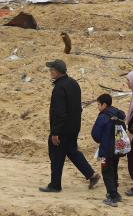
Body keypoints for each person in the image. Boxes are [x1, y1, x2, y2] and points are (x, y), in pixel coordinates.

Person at [39, 59, 101, 193]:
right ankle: (92, 175)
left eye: (51, 70)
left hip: (62, 129)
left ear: (57, 72)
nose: (50, 72)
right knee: (72, 152)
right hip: (73, 127)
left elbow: (59, 113)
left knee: (56, 154)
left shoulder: (59, 88)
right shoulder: (74, 83)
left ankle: (55, 185)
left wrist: (55, 133)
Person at [91, 93, 126, 206]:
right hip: (118, 148)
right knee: (114, 170)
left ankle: (111, 196)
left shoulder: (103, 116)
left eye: (98, 104)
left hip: (107, 149)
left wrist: (102, 141)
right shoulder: (119, 114)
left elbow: (95, 134)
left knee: (106, 172)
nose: (98, 107)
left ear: (104, 104)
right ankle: (115, 193)